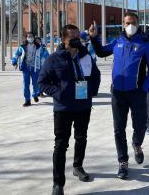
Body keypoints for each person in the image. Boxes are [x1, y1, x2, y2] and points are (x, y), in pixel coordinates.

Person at [89, 12, 149, 179]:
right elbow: (100, 52)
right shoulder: (117, 42)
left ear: (138, 23)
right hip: (118, 94)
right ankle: (123, 162)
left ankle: (137, 144)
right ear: (123, 24)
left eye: (133, 22)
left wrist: (144, 89)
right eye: (128, 22)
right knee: (118, 129)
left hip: (137, 93)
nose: (131, 25)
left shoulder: (145, 43)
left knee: (140, 125)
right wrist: (93, 38)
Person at [38, 24, 101, 195]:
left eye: (77, 36)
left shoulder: (86, 56)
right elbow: (42, 82)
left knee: (81, 138)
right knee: (60, 144)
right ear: (63, 39)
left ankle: (78, 166)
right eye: (72, 36)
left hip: (83, 106)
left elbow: (96, 75)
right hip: (63, 108)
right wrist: (58, 92)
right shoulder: (54, 59)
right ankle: (58, 183)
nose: (76, 39)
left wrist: (91, 91)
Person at [12, 32, 49, 107]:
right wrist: (14, 62)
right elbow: (16, 54)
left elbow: (46, 55)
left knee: (36, 84)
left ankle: (35, 94)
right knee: (26, 84)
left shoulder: (39, 47)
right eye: (28, 36)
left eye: (31, 36)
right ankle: (27, 100)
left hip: (36, 68)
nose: (30, 38)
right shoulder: (22, 47)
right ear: (26, 37)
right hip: (26, 68)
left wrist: (46, 64)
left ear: (34, 37)